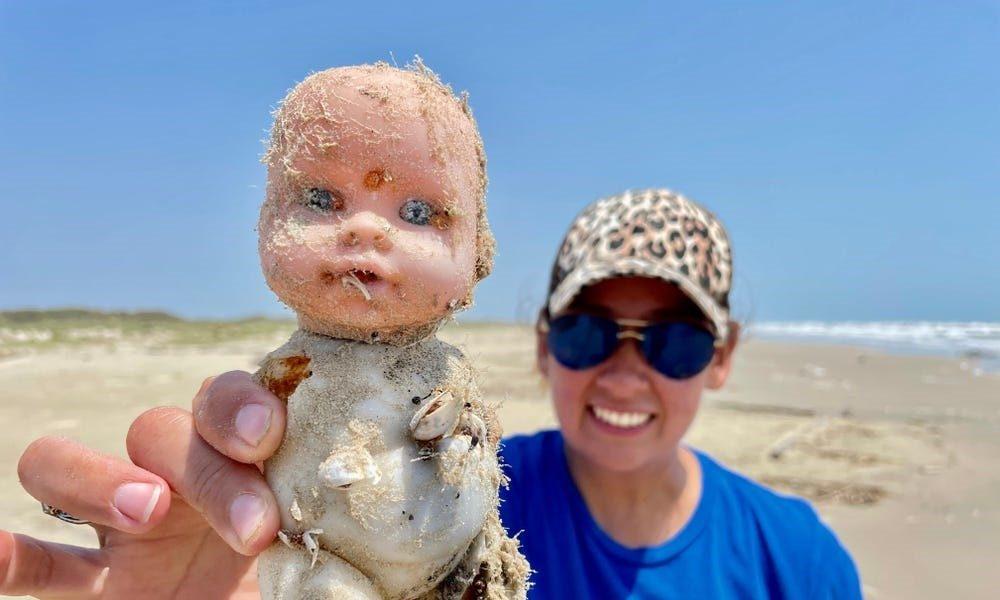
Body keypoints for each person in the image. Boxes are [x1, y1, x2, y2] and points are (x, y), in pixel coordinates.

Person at [1, 188, 861, 599]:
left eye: (674, 340)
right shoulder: (441, 494)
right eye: (589, 332)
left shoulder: (796, 563)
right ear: (544, 344)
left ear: (721, 358)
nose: (625, 373)